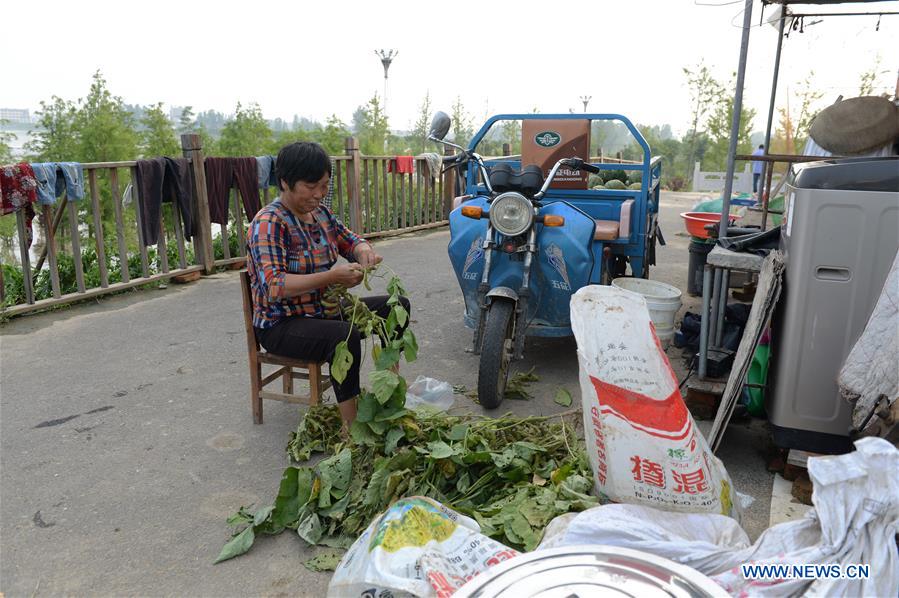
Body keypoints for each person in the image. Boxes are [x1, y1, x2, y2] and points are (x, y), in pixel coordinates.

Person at [246, 142, 410, 425]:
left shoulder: (321, 215)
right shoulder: (269, 222)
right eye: (311, 186)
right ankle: (352, 427)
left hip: (325, 312)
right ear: (284, 182)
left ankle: (390, 393)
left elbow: (351, 240)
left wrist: (364, 253)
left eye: (323, 186)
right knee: (340, 336)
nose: (319, 195)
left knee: (396, 306)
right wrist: (334, 277)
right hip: (282, 324)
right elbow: (275, 286)